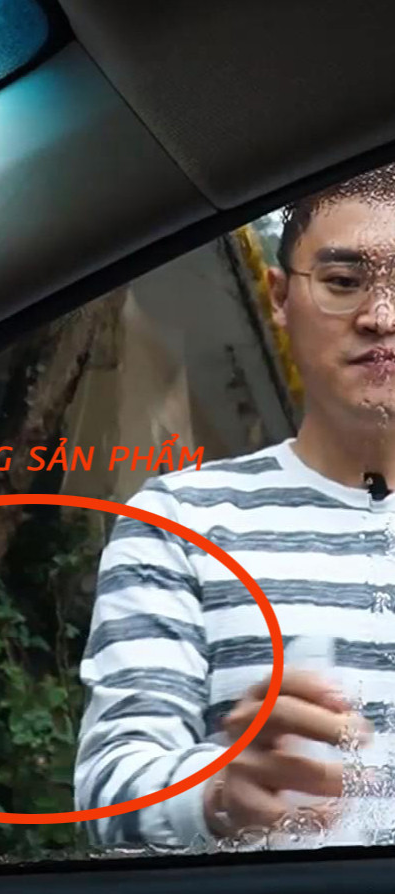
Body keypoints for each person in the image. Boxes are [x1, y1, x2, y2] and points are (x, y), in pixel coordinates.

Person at [74, 163, 395, 849]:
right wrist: (219, 793)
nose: (381, 317)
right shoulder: (178, 522)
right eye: (344, 282)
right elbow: (109, 785)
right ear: (279, 296)